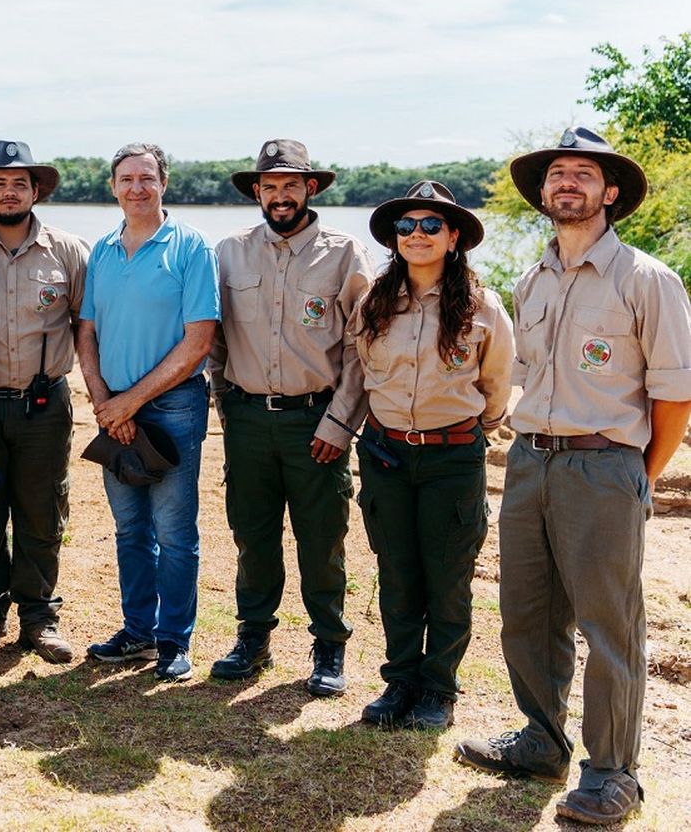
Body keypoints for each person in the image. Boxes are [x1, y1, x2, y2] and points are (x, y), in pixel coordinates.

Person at [455, 128, 691, 825]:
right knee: (528, 613)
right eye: (557, 173)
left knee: (608, 624)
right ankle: (540, 741)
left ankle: (613, 773)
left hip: (604, 465)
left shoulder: (647, 280)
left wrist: (633, 476)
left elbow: (674, 398)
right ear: (543, 193)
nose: (567, 183)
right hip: (532, 462)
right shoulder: (532, 280)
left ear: (609, 193)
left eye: (583, 173)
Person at [206, 139, 374, 696]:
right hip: (249, 420)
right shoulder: (229, 252)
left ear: (311, 188)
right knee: (252, 535)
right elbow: (217, 339)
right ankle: (253, 638)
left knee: (321, 538)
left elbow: (361, 348)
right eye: (270, 186)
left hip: (316, 421)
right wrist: (227, 403)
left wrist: (340, 423)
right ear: (257, 191)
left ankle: (329, 646)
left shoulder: (345, 253)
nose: (280, 196)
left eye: (291, 185)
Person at [347, 181, 512, 729]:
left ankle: (438, 690)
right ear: (395, 239)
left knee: (447, 576)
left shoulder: (482, 305)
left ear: (454, 236)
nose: (417, 235)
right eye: (405, 226)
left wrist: (470, 430)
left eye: (430, 225)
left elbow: (497, 385)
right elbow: (363, 373)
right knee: (396, 572)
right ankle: (400, 682)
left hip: (452, 458)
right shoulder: (375, 301)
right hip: (386, 454)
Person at [78, 142, 219, 682]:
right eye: (126, 179)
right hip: (113, 411)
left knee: (175, 532)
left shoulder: (190, 247)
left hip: (173, 409)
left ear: (164, 184)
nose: (137, 188)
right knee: (129, 529)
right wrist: (101, 401)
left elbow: (199, 340)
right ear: (113, 187)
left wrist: (128, 403)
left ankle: (173, 641)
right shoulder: (104, 252)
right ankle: (137, 631)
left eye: (147, 178)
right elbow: (86, 332)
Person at [0, 140, 88, 664]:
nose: (9, 192)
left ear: (36, 191)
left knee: (41, 511)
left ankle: (38, 617)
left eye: (20, 183)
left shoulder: (68, 251)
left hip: (42, 406)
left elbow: (86, 326)